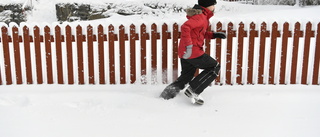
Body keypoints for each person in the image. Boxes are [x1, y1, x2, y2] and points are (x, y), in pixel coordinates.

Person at [160, 0, 226, 105]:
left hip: (186, 52)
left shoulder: (201, 16)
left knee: (186, 77)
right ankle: (194, 90)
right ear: (207, 5)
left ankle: (165, 96)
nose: (214, 7)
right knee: (214, 66)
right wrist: (189, 45)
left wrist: (214, 35)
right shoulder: (200, 17)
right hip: (192, 51)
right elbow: (185, 27)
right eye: (213, 5)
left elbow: (198, 33)